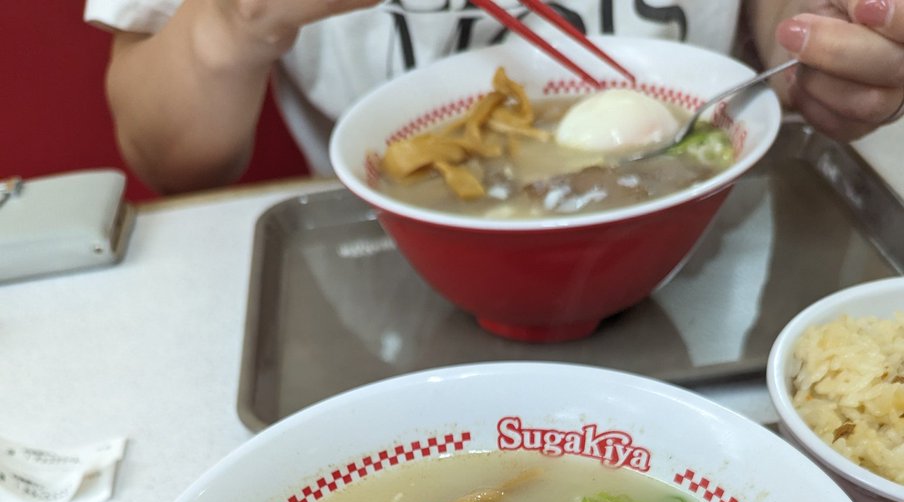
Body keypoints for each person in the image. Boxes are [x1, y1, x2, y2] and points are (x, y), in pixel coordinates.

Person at [85, 0, 904, 194]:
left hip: (715, 243)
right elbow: (169, 156)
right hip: (392, 276)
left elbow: (784, 14)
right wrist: (231, 22)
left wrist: (820, 40)